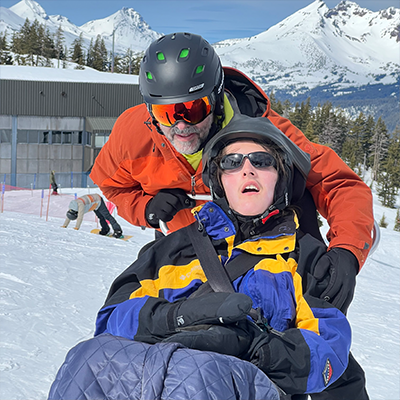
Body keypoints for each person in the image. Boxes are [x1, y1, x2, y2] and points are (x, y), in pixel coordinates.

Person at [90, 33, 372, 398]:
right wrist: (143, 208)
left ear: (216, 96)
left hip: (281, 253)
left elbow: (341, 186)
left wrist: (348, 251)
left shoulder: (263, 135)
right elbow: (110, 183)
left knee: (323, 369)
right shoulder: (133, 134)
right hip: (194, 253)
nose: (180, 125)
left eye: (192, 109)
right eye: (165, 112)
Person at [49, 115, 351, 399]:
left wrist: (253, 344)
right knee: (87, 360)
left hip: (239, 382)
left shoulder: (303, 257)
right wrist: (174, 316)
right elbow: (112, 319)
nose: (247, 170)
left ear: (281, 178)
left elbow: (328, 353)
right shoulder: (176, 247)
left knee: (201, 373)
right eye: (232, 163)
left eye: (262, 161)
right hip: (147, 374)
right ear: (220, 181)